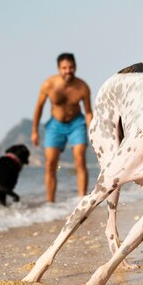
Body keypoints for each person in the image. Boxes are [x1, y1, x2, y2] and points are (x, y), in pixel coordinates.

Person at [32, 53, 93, 203]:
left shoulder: (82, 87)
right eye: (64, 68)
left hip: (77, 124)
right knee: (50, 164)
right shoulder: (49, 85)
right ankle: (50, 204)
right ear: (59, 68)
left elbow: (88, 112)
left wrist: (92, 131)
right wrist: (34, 131)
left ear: (75, 67)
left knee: (79, 160)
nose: (68, 71)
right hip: (55, 125)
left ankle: (82, 201)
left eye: (71, 67)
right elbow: (39, 107)